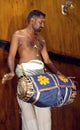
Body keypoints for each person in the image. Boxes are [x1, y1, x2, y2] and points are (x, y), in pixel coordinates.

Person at [3, 10, 62, 130]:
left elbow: (47, 60)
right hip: (25, 73)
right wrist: (11, 71)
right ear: (32, 20)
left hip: (42, 76)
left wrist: (59, 74)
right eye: (41, 22)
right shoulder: (18, 35)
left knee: (45, 109)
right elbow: (11, 56)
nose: (43, 25)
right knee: (28, 111)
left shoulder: (41, 39)